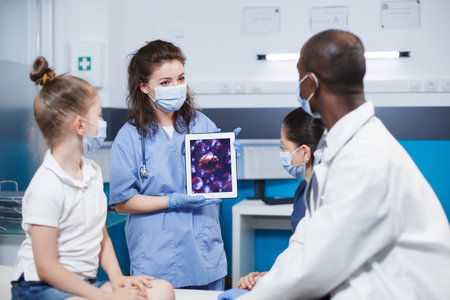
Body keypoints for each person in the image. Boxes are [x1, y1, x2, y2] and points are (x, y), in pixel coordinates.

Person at [236, 29, 450, 299]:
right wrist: (270, 281)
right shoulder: (339, 146)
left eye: (298, 77)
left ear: (311, 83)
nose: (299, 87)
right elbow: (306, 240)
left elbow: (311, 270)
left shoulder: (365, 156)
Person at [11, 56, 175, 300]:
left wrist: (117, 279)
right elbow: (46, 266)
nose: (102, 123)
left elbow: (99, 232)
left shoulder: (92, 172)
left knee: (162, 291)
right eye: (98, 116)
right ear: (79, 125)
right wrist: (104, 296)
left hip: (81, 282)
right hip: (39, 286)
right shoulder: (46, 186)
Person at [110, 40, 231, 290]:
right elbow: (122, 203)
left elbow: (215, 186)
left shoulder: (202, 125)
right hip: (155, 260)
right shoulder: (129, 137)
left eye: (180, 79)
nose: (176, 87)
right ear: (144, 86)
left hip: (203, 254)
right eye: (165, 82)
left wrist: (226, 163)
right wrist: (173, 200)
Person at [236, 108, 324, 290]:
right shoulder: (304, 189)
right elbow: (299, 257)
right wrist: (268, 276)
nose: (282, 152)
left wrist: (272, 281)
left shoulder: (324, 198)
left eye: (284, 147)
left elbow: (315, 265)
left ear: (305, 153)